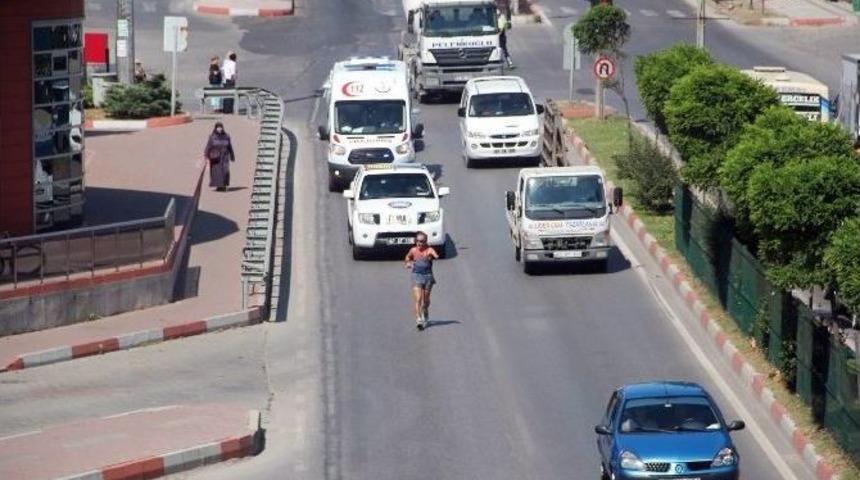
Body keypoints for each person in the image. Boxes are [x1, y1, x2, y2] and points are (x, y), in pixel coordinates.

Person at [404, 232, 439, 330]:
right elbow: (407, 257)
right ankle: (419, 319)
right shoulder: (413, 250)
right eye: (418, 241)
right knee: (418, 298)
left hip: (428, 276)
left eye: (422, 241)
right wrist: (408, 263)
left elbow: (436, 255)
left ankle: (425, 311)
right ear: (415, 241)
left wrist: (432, 256)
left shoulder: (429, 250)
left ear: (426, 241)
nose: (420, 243)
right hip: (416, 275)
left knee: (425, 301)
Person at [203, 122, 235, 191]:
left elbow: (230, 147)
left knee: (225, 171)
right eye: (218, 127)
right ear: (215, 128)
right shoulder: (212, 137)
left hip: (225, 157)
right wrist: (206, 155)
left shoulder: (227, 136)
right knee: (217, 173)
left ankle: (224, 186)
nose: (219, 129)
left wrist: (232, 156)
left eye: (220, 127)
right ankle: (219, 187)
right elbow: (208, 147)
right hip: (216, 158)